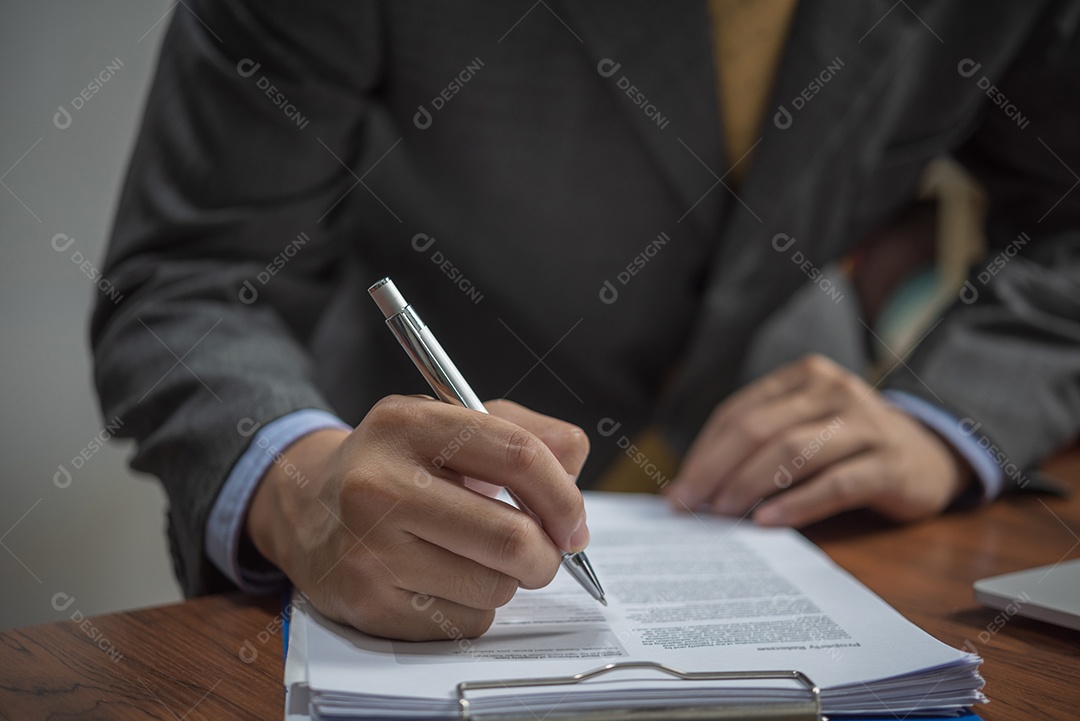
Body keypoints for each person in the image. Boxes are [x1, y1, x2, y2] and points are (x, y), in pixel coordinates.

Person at [92, 0, 1080, 641]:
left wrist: (947, 418)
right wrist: (297, 482)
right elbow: (191, 275)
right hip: (393, 511)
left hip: (810, 510)